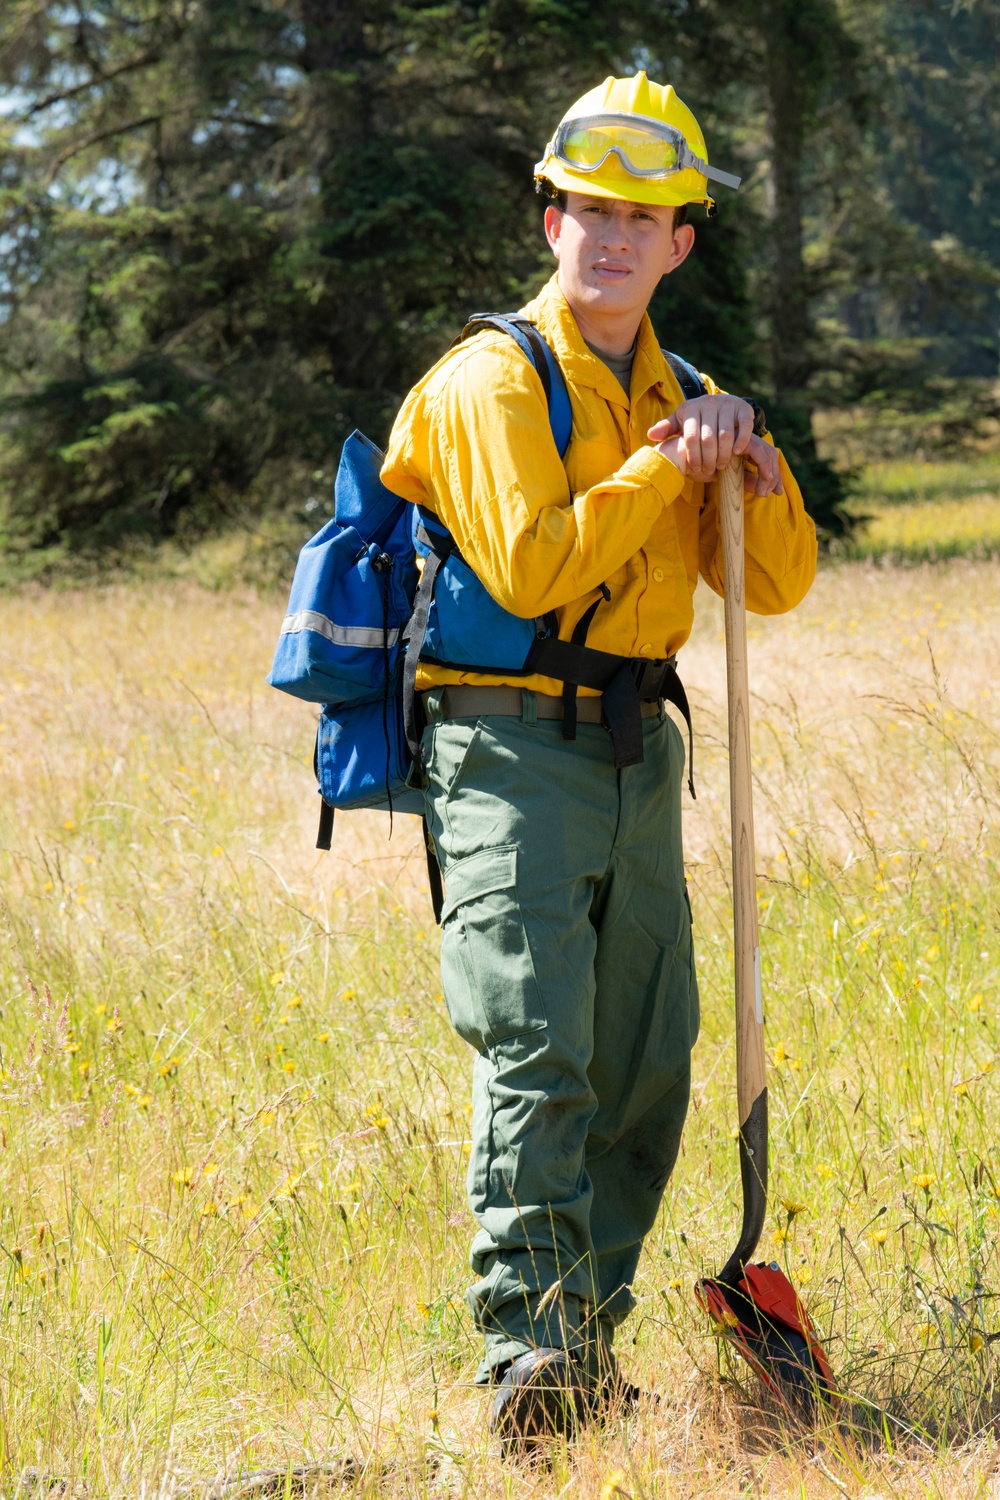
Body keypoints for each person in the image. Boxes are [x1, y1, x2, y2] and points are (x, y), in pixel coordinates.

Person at [381, 71, 817, 1452]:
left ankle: (588, 1346)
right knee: (537, 1050)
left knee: (645, 1062)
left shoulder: (685, 390)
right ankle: (530, 1356)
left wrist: (746, 460)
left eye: (646, 215)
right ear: (551, 217)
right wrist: (664, 469)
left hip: (640, 751)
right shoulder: (485, 379)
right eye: (590, 210)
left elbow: (784, 585)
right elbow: (527, 563)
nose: (614, 237)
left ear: (683, 241)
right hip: (507, 746)